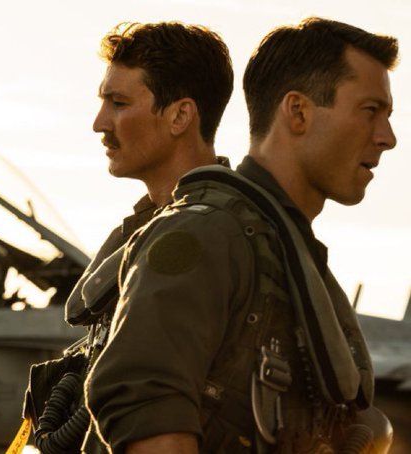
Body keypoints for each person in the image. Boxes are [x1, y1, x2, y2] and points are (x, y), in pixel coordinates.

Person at [86, 17, 397, 453]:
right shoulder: (206, 232)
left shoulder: (287, 257)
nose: (388, 138)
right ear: (298, 111)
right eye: (370, 111)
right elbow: (147, 411)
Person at [42, 21, 234, 453]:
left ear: (180, 116)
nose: (99, 123)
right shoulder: (158, 228)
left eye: (118, 102)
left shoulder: (204, 236)